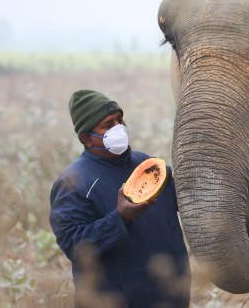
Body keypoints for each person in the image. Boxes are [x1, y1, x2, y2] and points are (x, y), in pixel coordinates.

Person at [50, 89, 190, 308]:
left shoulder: (146, 165)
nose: (119, 128)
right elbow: (74, 245)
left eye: (119, 120)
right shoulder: (74, 183)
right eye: (108, 125)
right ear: (87, 138)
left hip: (171, 297)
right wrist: (120, 218)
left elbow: (184, 198)